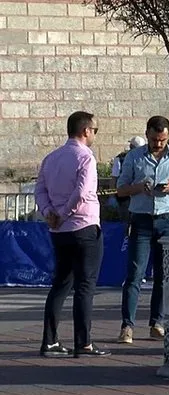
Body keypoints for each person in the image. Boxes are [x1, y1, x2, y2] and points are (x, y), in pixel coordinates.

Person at [34, 111, 111, 358]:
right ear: (86, 130)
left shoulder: (51, 158)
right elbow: (82, 192)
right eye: (94, 130)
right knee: (85, 286)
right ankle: (84, 342)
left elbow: (40, 190)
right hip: (83, 226)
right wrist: (65, 213)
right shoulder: (86, 157)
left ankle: (50, 340)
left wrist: (49, 213)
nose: (94, 135)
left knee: (61, 284)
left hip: (59, 230)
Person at [116, 116, 169, 344]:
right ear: (147, 134)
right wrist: (139, 187)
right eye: (154, 139)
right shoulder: (134, 156)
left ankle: (156, 323)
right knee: (135, 274)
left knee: (163, 275)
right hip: (142, 219)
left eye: (163, 140)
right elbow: (120, 189)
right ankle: (127, 326)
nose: (158, 144)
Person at [112, 136, 147, 223]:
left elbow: (114, 177)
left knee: (127, 222)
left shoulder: (120, 158)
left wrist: (112, 196)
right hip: (134, 196)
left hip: (128, 195)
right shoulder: (145, 158)